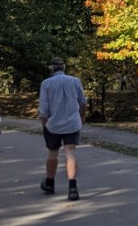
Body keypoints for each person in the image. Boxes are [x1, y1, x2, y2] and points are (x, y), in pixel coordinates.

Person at [38, 56, 86, 201]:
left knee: (53, 152)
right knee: (70, 152)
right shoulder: (75, 81)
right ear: (64, 67)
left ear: (51, 69)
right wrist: (81, 118)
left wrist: (44, 124)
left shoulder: (46, 83)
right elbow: (82, 102)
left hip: (53, 125)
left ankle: (50, 183)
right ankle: (72, 187)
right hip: (72, 123)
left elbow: (43, 109)